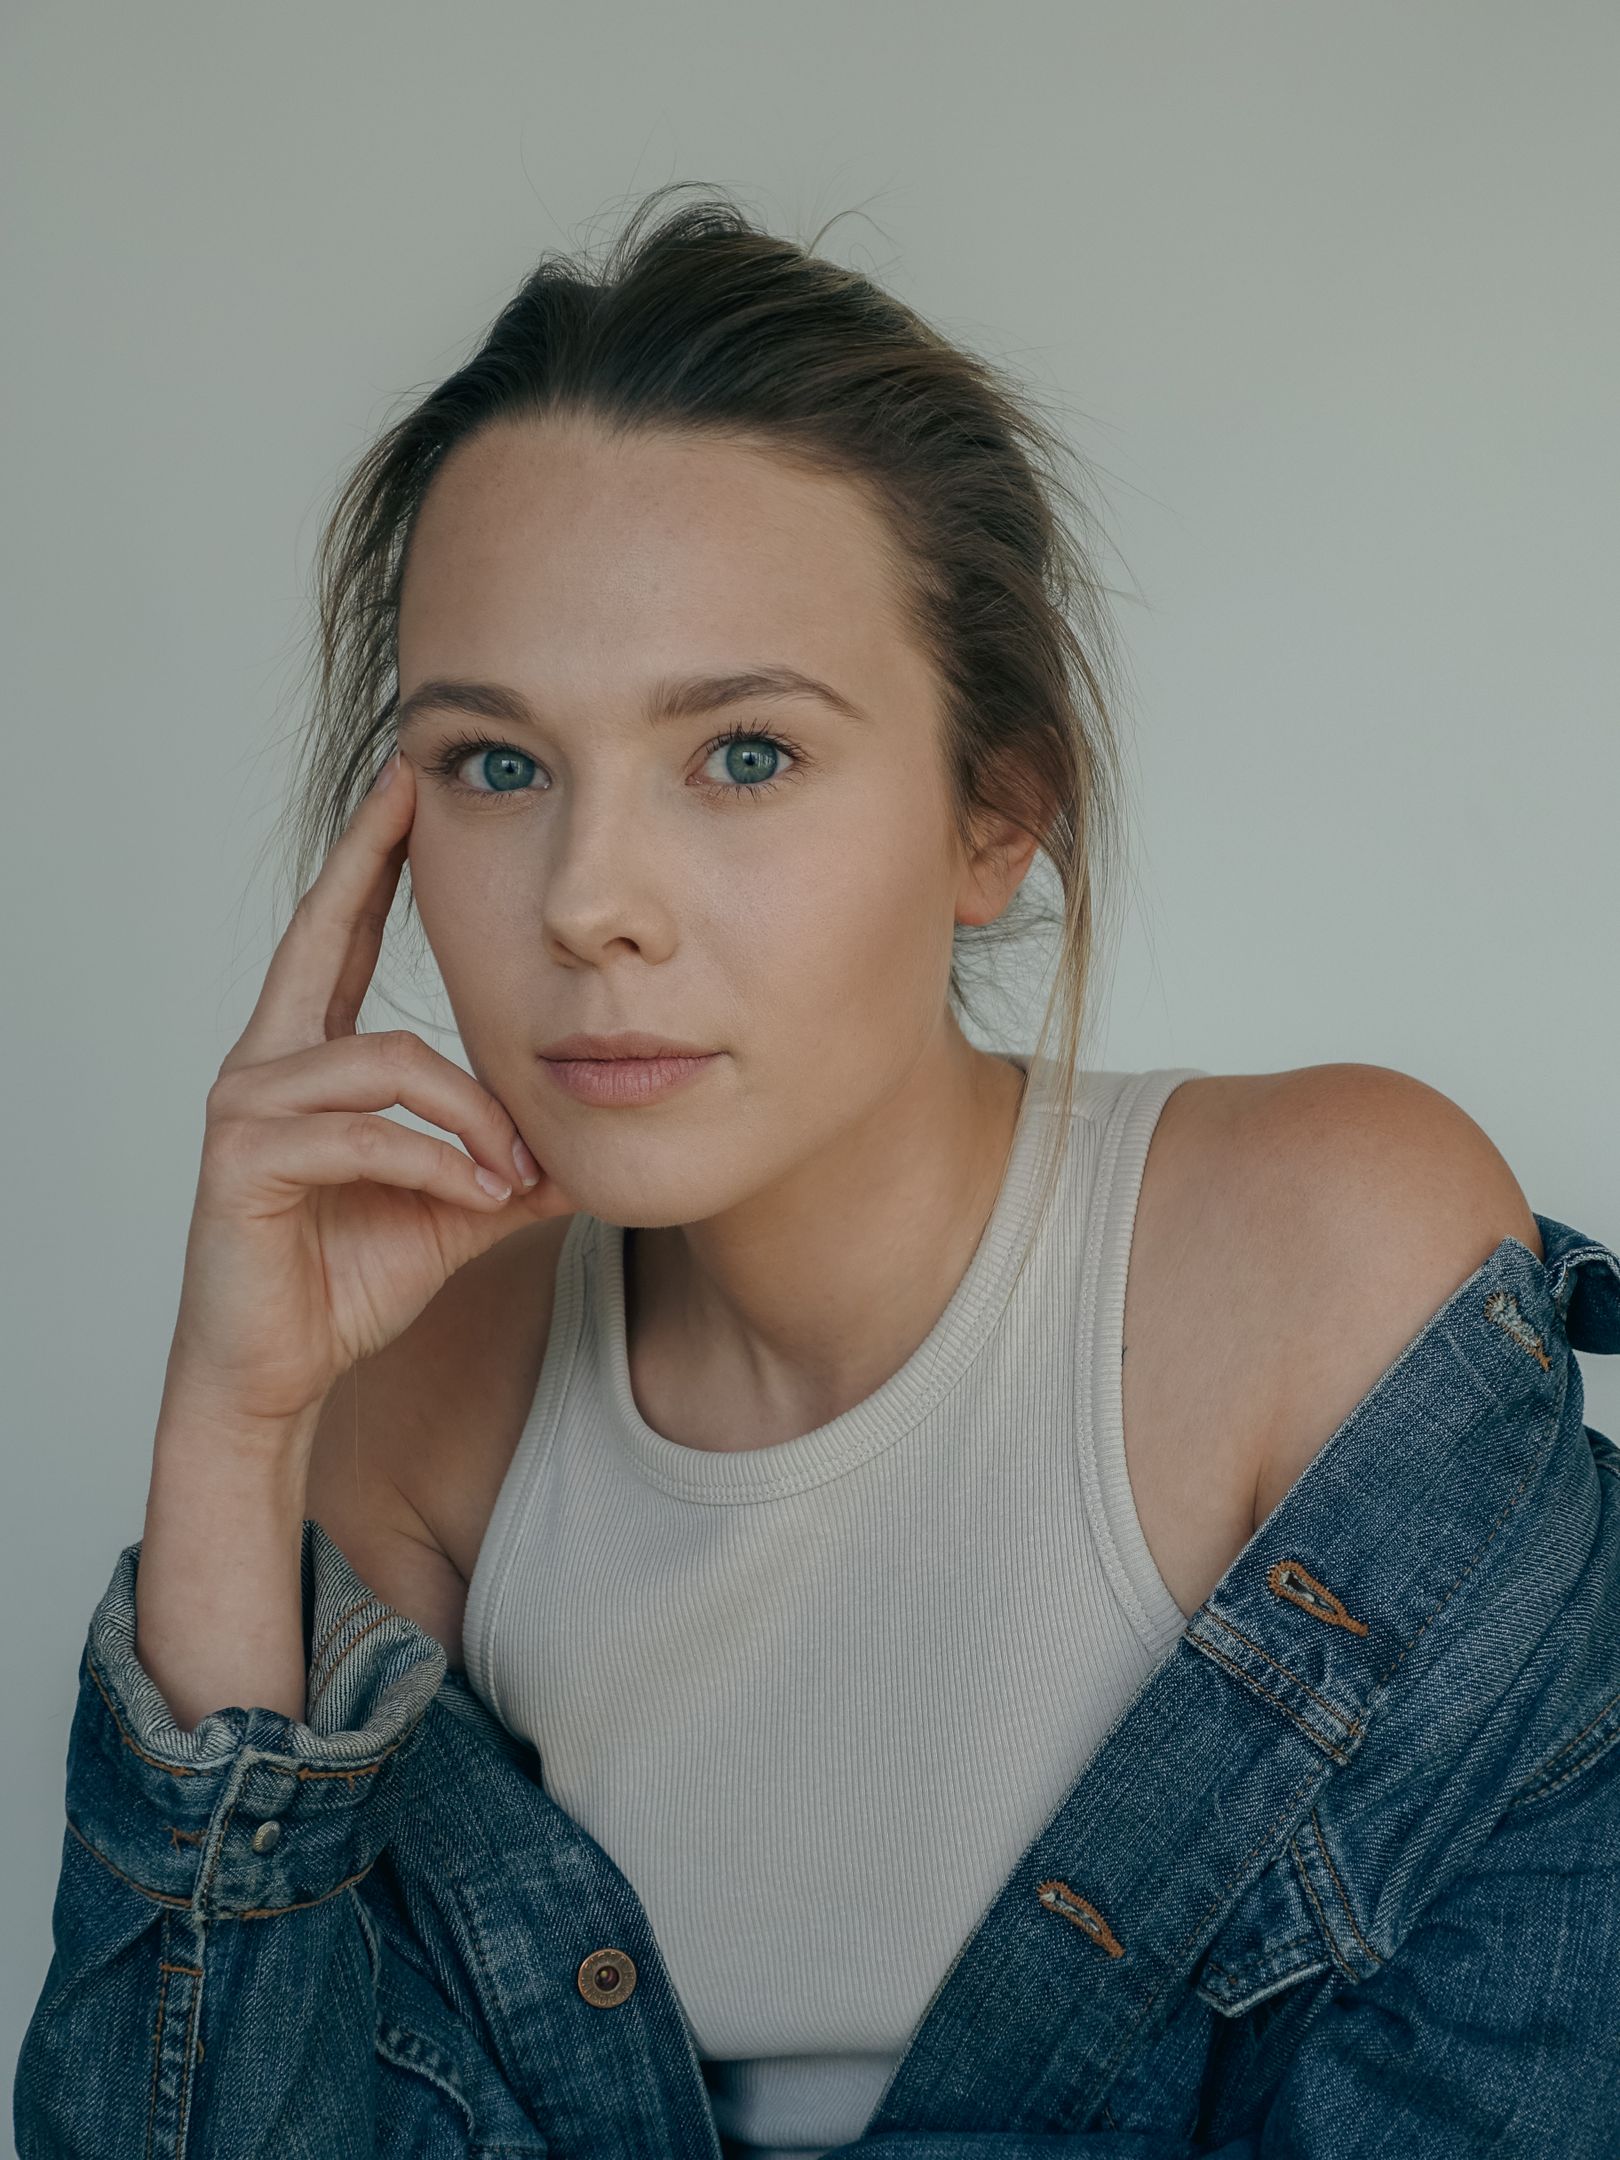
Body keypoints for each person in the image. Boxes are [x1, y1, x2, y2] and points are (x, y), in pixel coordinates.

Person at [16, 183, 1620, 2159]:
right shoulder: (425, 1405)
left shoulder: (1328, 1251)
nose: (589, 901)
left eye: (745, 754)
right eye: (498, 765)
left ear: (995, 816)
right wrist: (231, 1424)